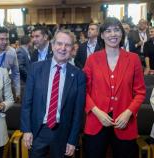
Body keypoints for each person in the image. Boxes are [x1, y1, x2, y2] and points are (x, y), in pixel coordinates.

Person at [83, 17, 146, 158]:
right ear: (102, 35)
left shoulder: (134, 59)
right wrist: (97, 112)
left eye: (117, 30)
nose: (113, 34)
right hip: (96, 121)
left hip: (124, 122)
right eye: (108, 31)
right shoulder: (92, 60)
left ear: (122, 34)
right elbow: (84, 91)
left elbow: (140, 92)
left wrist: (128, 112)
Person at [20, 30, 86, 158]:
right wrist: (27, 130)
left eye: (67, 45)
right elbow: (27, 103)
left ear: (72, 49)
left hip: (63, 133)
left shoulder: (78, 75)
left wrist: (73, 140)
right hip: (38, 131)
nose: (62, 48)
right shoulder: (35, 69)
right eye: (59, 44)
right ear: (52, 45)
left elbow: (78, 112)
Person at [0, 26, 21, 102]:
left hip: (5, 92)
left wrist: (18, 92)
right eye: (2, 39)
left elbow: (16, 73)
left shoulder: (12, 52)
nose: (5, 42)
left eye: (7, 39)